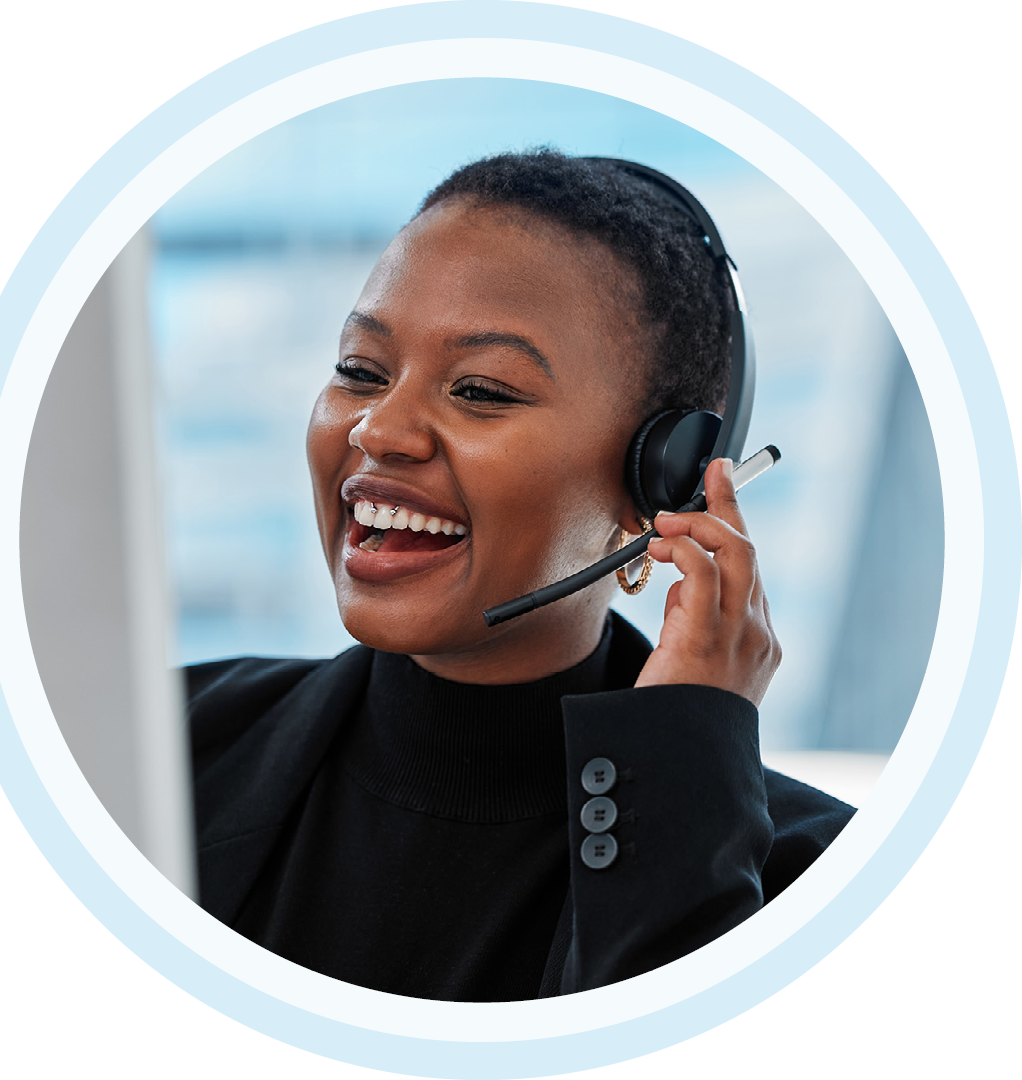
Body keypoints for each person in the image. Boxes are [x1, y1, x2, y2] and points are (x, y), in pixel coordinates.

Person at [185, 149, 855, 1001]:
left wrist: (686, 751)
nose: (381, 431)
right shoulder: (157, 747)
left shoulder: (812, 881)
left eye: (481, 390)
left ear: (662, 478)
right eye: (360, 370)